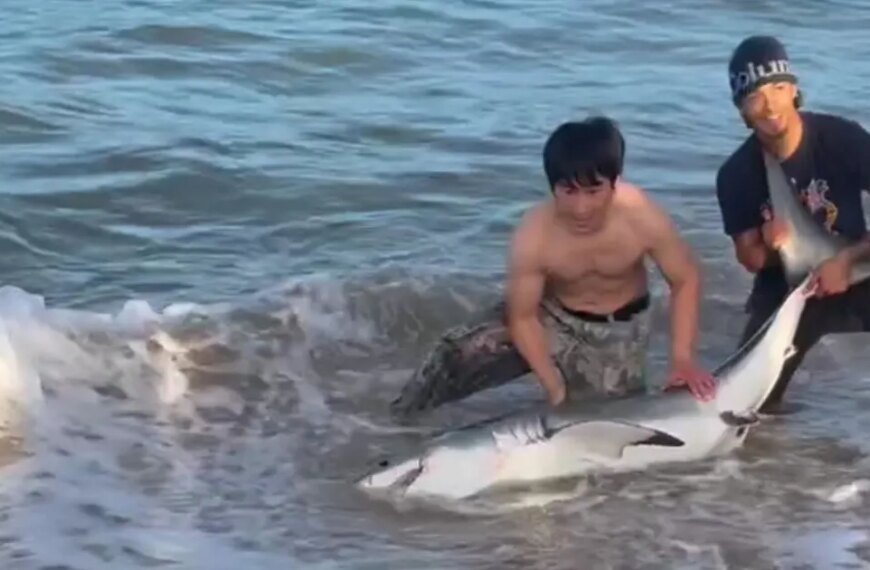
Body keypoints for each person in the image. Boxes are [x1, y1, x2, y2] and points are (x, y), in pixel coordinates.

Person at [389, 116, 716, 421]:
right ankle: (397, 429)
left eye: (593, 190)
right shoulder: (533, 235)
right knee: (455, 355)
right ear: (552, 187)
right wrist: (554, 387)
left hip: (617, 330)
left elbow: (685, 279)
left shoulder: (641, 216)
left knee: (604, 420)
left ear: (615, 183)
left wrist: (682, 360)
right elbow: (522, 317)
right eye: (568, 191)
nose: (581, 208)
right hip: (552, 316)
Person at [715, 35, 870, 412]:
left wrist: (846, 261)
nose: (770, 107)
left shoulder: (842, 139)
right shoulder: (736, 174)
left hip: (858, 268)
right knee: (747, 404)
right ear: (741, 109)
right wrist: (770, 245)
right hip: (789, 289)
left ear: (794, 90)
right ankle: (770, 464)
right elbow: (749, 257)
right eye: (755, 96)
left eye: (778, 89)